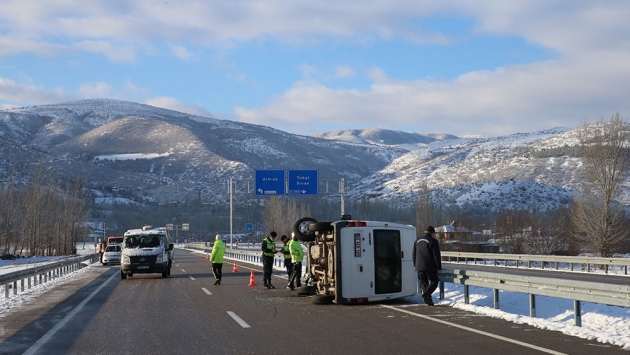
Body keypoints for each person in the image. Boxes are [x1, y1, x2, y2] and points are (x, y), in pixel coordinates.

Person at [412, 226, 442, 306]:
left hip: (419, 266)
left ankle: (428, 301)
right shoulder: (433, 241)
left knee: (424, 283)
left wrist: (415, 264)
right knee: (434, 281)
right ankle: (427, 294)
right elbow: (436, 255)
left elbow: (414, 254)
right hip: (429, 266)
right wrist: (439, 267)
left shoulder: (417, 240)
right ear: (432, 233)